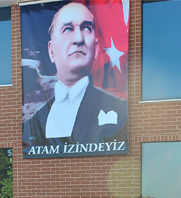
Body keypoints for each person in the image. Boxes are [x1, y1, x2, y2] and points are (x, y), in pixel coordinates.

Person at [22, 1, 128, 148]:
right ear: (51, 51)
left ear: (96, 48)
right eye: (67, 29)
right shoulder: (32, 124)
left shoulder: (121, 112)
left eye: (86, 28)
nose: (78, 39)